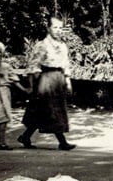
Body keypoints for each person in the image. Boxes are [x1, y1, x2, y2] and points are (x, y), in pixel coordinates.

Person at [19, 16, 75, 151]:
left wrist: (67, 81)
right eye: (55, 27)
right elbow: (33, 66)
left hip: (58, 80)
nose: (58, 30)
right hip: (46, 80)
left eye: (60, 28)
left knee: (44, 112)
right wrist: (32, 85)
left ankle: (25, 136)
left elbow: (66, 65)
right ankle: (62, 142)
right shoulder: (42, 45)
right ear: (48, 28)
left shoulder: (62, 46)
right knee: (51, 111)